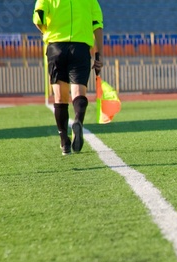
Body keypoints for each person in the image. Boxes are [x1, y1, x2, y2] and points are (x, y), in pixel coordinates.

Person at [33, 0, 104, 155]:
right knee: (79, 92)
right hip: (80, 47)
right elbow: (97, 24)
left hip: (56, 46)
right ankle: (78, 120)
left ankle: (64, 141)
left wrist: (47, 32)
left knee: (60, 97)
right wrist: (99, 54)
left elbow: (38, 17)